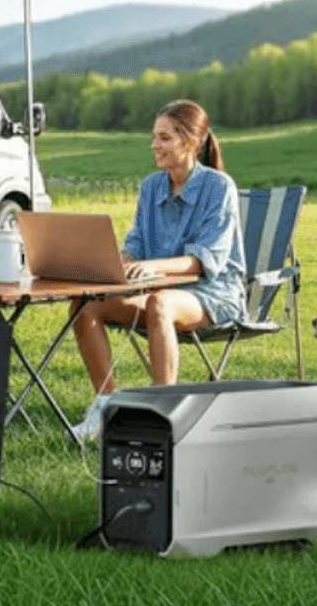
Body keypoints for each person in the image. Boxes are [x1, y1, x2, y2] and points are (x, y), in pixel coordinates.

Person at [69, 99, 246, 441]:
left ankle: (163, 416)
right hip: (157, 292)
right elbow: (135, 244)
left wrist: (152, 267)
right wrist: (114, 263)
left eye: (165, 138)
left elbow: (202, 261)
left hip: (213, 294)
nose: (154, 145)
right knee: (85, 304)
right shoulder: (151, 187)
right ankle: (106, 407)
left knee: (160, 303)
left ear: (191, 142)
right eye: (154, 136)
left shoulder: (219, 187)